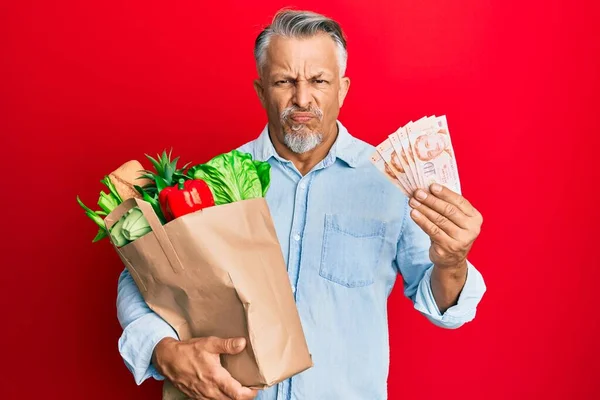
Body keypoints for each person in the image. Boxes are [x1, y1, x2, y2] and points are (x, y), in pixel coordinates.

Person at [116, 8, 487, 400]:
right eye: (284, 81)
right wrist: (162, 350)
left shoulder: (391, 183)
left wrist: (452, 262)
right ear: (261, 91)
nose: (302, 98)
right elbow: (142, 275)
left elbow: (445, 309)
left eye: (318, 80)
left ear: (342, 89)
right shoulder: (213, 181)